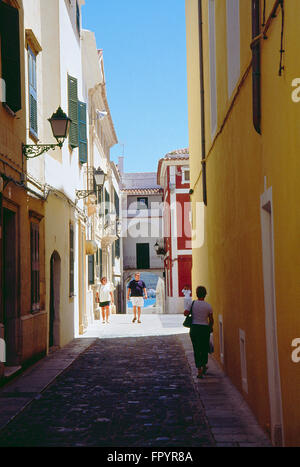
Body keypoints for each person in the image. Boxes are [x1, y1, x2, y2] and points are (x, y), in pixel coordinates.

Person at [184, 286, 214, 379]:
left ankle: (199, 369)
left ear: (196, 294)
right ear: (205, 294)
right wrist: (210, 327)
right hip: (204, 329)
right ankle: (204, 365)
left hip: (194, 328)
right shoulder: (208, 306)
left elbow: (185, 313)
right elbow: (211, 320)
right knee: (204, 348)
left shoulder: (193, 304)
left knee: (196, 349)